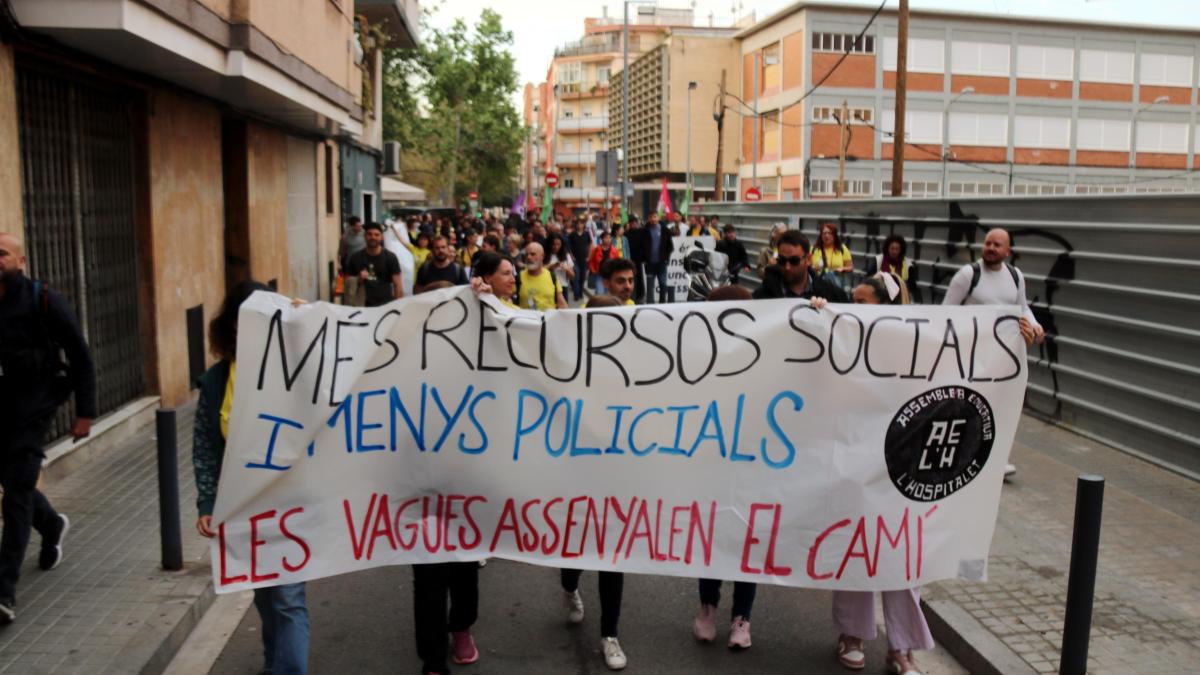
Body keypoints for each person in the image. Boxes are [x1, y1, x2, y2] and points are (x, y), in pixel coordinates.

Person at [193, 280, 310, 674]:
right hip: (246, 506)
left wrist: (312, 323)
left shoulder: (299, 368)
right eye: (248, 321)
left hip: (294, 502)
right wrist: (208, 503)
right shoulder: (216, 381)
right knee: (266, 596)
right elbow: (207, 446)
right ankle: (274, 663)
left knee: (288, 599)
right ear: (233, 326)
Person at [835, 270, 932, 675]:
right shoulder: (842, 336)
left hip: (903, 461)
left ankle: (902, 647)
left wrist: (1017, 333)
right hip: (856, 455)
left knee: (902, 553)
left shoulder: (916, 343)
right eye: (851, 302)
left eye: (861, 303)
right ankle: (851, 635)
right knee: (856, 546)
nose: (853, 308)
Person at [0, 233, 90, 625]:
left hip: (34, 408)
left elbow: (81, 355)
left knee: (16, 492)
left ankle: (4, 592)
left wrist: (84, 412)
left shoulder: (44, 299)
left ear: (20, 260)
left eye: (1, 253)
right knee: (12, 481)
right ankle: (52, 524)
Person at [406, 280, 483, 675]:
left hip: (467, 489)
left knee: (465, 572)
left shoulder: (476, 353)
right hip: (418, 491)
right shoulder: (401, 357)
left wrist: (483, 298)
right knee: (429, 579)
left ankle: (462, 625)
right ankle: (433, 658)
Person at [942, 227, 1044, 478]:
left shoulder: (1015, 276)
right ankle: (961, 456)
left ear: (1007, 251)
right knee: (968, 406)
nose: (991, 248)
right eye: (988, 243)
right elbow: (945, 312)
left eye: (997, 245)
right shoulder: (968, 275)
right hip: (968, 357)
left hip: (1000, 357)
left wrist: (1035, 325)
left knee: (997, 406)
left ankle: (997, 459)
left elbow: (1022, 308)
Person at [752, 230, 849, 302]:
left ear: (808, 259)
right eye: (781, 260)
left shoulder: (831, 293)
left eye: (794, 261)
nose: (787, 267)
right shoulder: (762, 295)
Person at [343, 222, 403, 307]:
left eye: (376, 235)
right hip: (362, 305)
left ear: (382, 237)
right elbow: (347, 281)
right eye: (369, 234)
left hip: (385, 305)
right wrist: (358, 279)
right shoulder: (356, 257)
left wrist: (397, 307)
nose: (373, 237)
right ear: (365, 236)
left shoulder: (390, 257)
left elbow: (397, 285)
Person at [631, 212, 674, 303]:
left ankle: (662, 303)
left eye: (655, 217)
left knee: (663, 284)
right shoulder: (644, 231)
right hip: (650, 263)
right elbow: (641, 246)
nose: (653, 219)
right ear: (649, 219)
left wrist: (666, 258)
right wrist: (644, 259)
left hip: (662, 263)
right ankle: (650, 304)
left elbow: (670, 246)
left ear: (658, 217)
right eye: (651, 217)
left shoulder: (665, 230)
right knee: (650, 286)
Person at [518, 242, 567, 311]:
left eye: (532, 254)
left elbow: (562, 304)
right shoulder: (518, 277)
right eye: (526, 255)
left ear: (542, 256)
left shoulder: (551, 277)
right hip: (526, 321)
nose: (528, 257)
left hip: (548, 321)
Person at [811, 222, 854, 292]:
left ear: (834, 235)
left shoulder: (842, 248)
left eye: (830, 233)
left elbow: (850, 267)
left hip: (837, 282)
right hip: (818, 284)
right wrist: (814, 268)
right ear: (821, 235)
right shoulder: (814, 249)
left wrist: (842, 268)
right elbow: (808, 266)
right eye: (824, 233)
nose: (826, 236)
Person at [566, 219, 593, 302]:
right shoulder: (572, 234)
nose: (579, 225)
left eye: (581, 224)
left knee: (583, 277)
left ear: (583, 225)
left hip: (584, 258)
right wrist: (571, 256)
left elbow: (590, 245)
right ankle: (576, 294)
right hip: (575, 259)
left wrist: (589, 256)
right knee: (576, 276)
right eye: (577, 224)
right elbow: (568, 247)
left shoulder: (587, 234)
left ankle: (581, 292)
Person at [545, 233, 576, 298]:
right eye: (553, 244)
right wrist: (550, 266)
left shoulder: (566, 256)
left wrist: (567, 269)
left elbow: (572, 276)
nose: (556, 247)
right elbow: (539, 270)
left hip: (562, 287)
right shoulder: (544, 255)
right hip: (547, 287)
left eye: (558, 244)